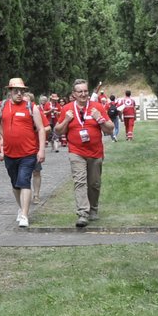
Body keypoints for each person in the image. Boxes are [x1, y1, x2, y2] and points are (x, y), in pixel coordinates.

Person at [54, 79, 110, 228]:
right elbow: (57, 131)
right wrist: (66, 120)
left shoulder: (97, 107)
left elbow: (109, 129)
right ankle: (82, 213)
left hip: (95, 152)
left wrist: (100, 118)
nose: (83, 94)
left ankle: (93, 209)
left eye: (85, 91)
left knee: (94, 184)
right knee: (80, 181)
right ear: (74, 94)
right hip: (76, 152)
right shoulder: (66, 109)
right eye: (80, 92)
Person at [0, 78, 47, 229]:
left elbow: (41, 129)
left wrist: (41, 150)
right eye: (16, 91)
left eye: (22, 91)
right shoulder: (2, 106)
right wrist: (4, 135)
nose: (19, 93)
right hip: (10, 153)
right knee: (15, 183)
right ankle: (21, 207)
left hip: (28, 152)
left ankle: (25, 214)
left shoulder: (31, 107)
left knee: (24, 181)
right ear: (9, 92)